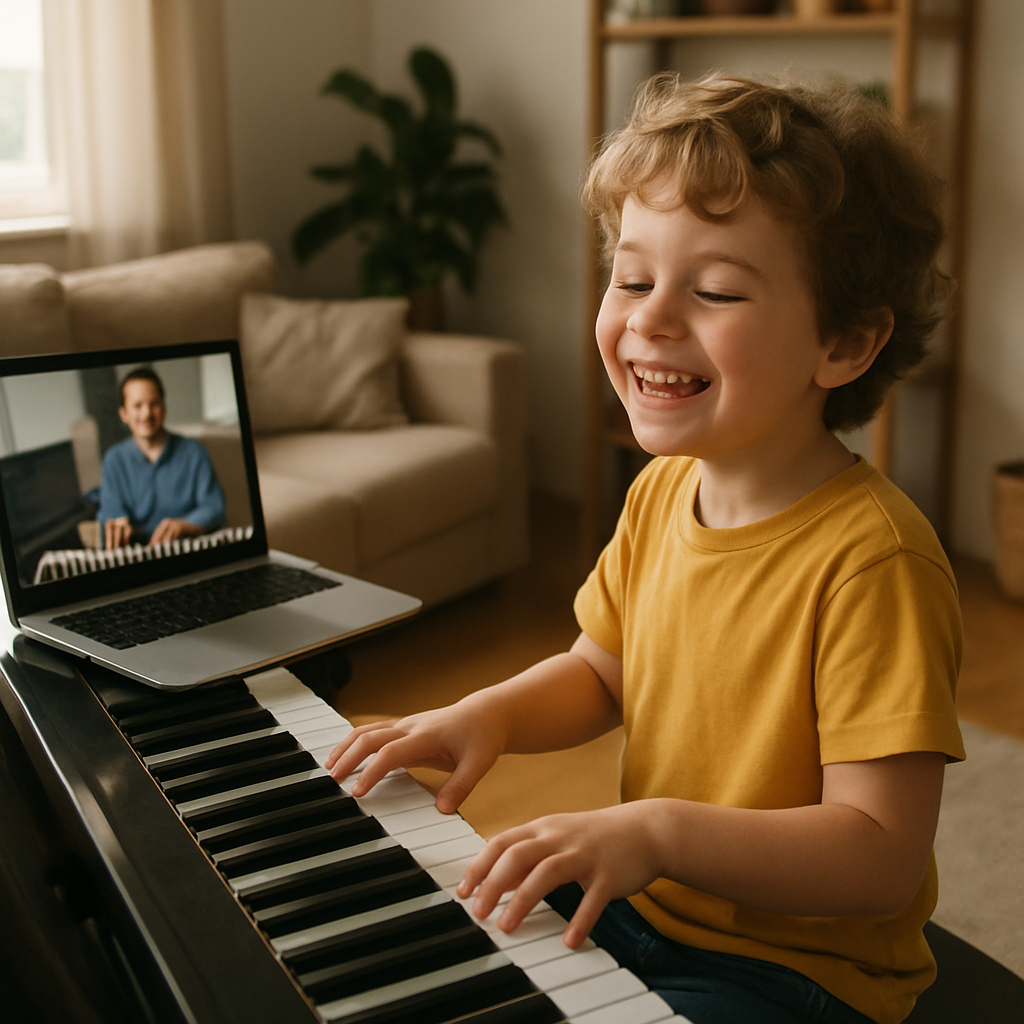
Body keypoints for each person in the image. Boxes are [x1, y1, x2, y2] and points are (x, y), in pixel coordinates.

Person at [325, 73, 964, 1024]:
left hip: (797, 968)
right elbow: (603, 672)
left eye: (713, 289)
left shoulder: (874, 564)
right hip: (645, 906)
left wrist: (655, 831)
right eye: (631, 276)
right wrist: (486, 715)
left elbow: (878, 855)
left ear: (845, 343)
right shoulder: (663, 491)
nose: (651, 318)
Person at [98, 367, 226, 550]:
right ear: (123, 413)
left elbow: (215, 508)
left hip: (188, 551)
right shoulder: (113, 460)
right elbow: (110, 514)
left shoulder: (195, 452)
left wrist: (184, 525)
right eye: (137, 406)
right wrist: (117, 526)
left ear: (164, 407)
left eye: (154, 404)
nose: (147, 414)